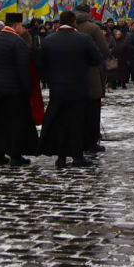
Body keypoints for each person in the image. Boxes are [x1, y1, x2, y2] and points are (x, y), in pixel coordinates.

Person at [38, 11, 103, 168]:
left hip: (57, 89)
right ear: (74, 22)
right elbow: (97, 60)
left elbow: (42, 65)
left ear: (60, 22)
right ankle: (78, 156)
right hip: (78, 89)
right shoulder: (84, 39)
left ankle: (61, 158)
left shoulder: (49, 40)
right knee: (77, 123)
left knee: (60, 123)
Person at [0, 13, 38, 166]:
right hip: (15, 90)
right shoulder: (17, 42)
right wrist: (28, 89)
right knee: (15, 124)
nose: (23, 29)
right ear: (16, 25)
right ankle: (16, 156)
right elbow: (22, 69)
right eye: (21, 26)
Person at [74, 4, 110, 153]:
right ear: (88, 13)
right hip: (91, 73)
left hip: (71, 76)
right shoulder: (94, 28)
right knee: (93, 110)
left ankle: (78, 140)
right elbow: (104, 50)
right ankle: (91, 142)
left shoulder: (68, 27)